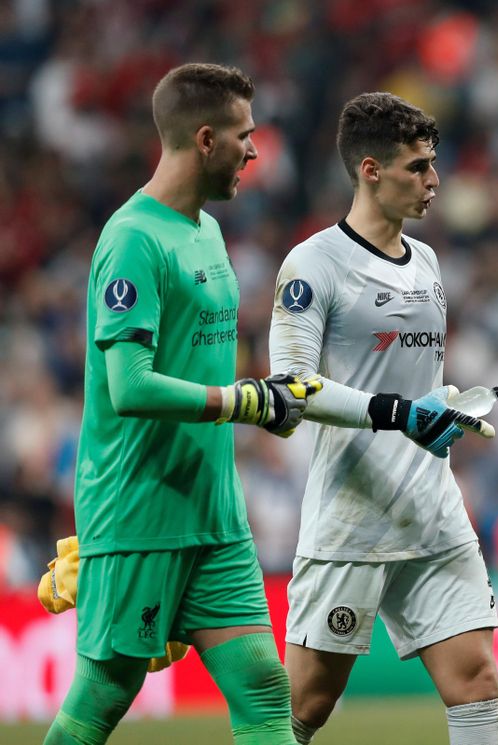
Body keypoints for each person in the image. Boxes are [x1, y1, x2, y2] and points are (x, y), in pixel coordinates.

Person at [44, 63, 321, 745]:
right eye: (243, 136)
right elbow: (129, 386)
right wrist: (244, 402)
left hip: (213, 511)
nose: (254, 151)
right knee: (107, 690)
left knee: (262, 682)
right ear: (204, 140)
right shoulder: (133, 239)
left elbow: (204, 363)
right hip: (139, 508)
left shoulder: (208, 232)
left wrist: (265, 396)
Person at [269, 92, 498, 745]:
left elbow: (411, 381)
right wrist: (402, 414)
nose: (434, 182)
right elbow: (290, 389)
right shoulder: (315, 265)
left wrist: (441, 406)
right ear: (370, 169)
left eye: (434, 165)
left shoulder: (427, 262)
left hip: (432, 510)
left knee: (477, 682)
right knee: (306, 705)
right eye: (418, 167)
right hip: (353, 519)